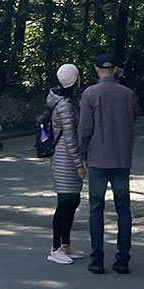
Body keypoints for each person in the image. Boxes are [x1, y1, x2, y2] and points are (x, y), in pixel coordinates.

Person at [78, 51, 136, 275]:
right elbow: (132, 125)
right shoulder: (128, 94)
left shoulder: (90, 94)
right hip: (121, 159)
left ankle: (97, 258)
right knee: (123, 209)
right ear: (115, 70)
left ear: (96, 69)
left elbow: (84, 129)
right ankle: (123, 259)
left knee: (96, 209)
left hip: (98, 159)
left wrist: (83, 155)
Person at [44, 63, 87, 265]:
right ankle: (55, 248)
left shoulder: (63, 101)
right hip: (65, 159)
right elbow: (71, 137)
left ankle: (65, 244)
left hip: (64, 157)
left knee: (72, 200)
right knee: (64, 203)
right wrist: (79, 163)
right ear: (76, 79)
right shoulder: (66, 105)